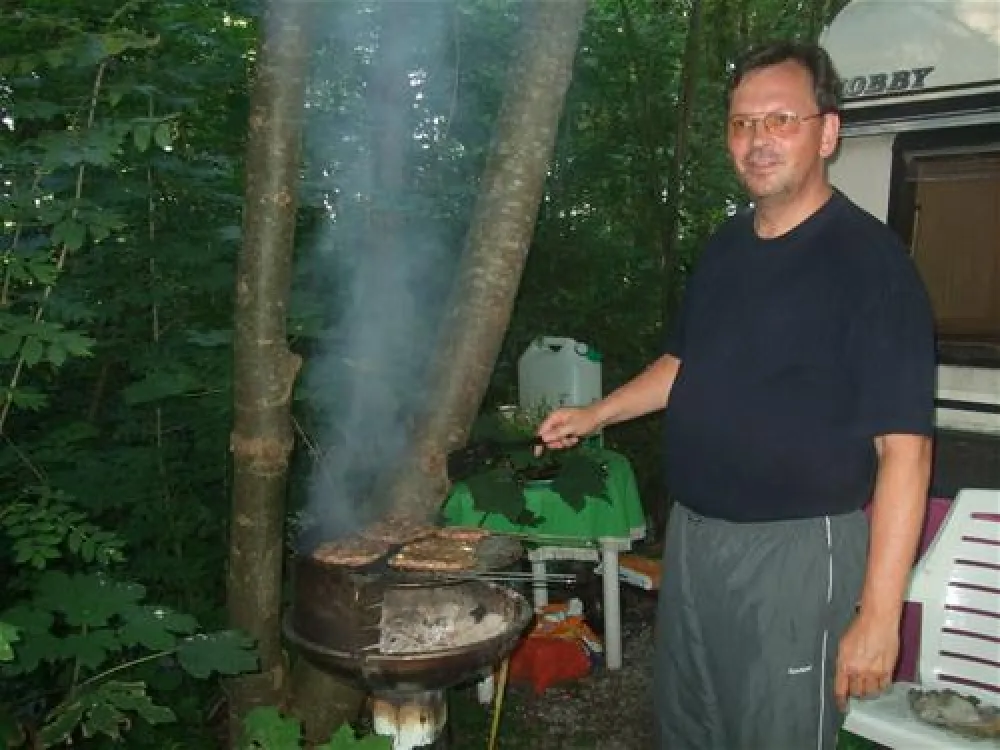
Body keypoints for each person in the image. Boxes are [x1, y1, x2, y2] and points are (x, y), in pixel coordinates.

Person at [536, 41, 935, 750]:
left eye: (780, 119)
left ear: (827, 132)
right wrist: (597, 413)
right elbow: (683, 364)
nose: (757, 140)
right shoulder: (725, 248)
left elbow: (905, 452)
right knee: (690, 729)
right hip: (694, 539)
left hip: (796, 555)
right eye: (742, 123)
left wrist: (880, 616)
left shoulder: (871, 264)